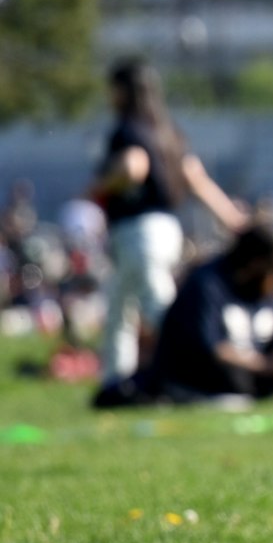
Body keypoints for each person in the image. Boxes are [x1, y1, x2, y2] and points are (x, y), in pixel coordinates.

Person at [89, 58, 248, 386]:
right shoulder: (168, 131)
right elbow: (196, 179)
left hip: (138, 230)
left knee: (156, 309)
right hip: (166, 228)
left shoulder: (127, 130)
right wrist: (233, 219)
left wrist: (97, 188)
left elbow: (133, 168)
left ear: (121, 91)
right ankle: (115, 383)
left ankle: (196, 373)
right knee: (122, 305)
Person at [98, 224, 273, 404]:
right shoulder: (206, 284)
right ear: (256, 264)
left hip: (254, 371)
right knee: (233, 378)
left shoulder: (268, 293)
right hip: (198, 376)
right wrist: (265, 365)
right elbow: (210, 348)